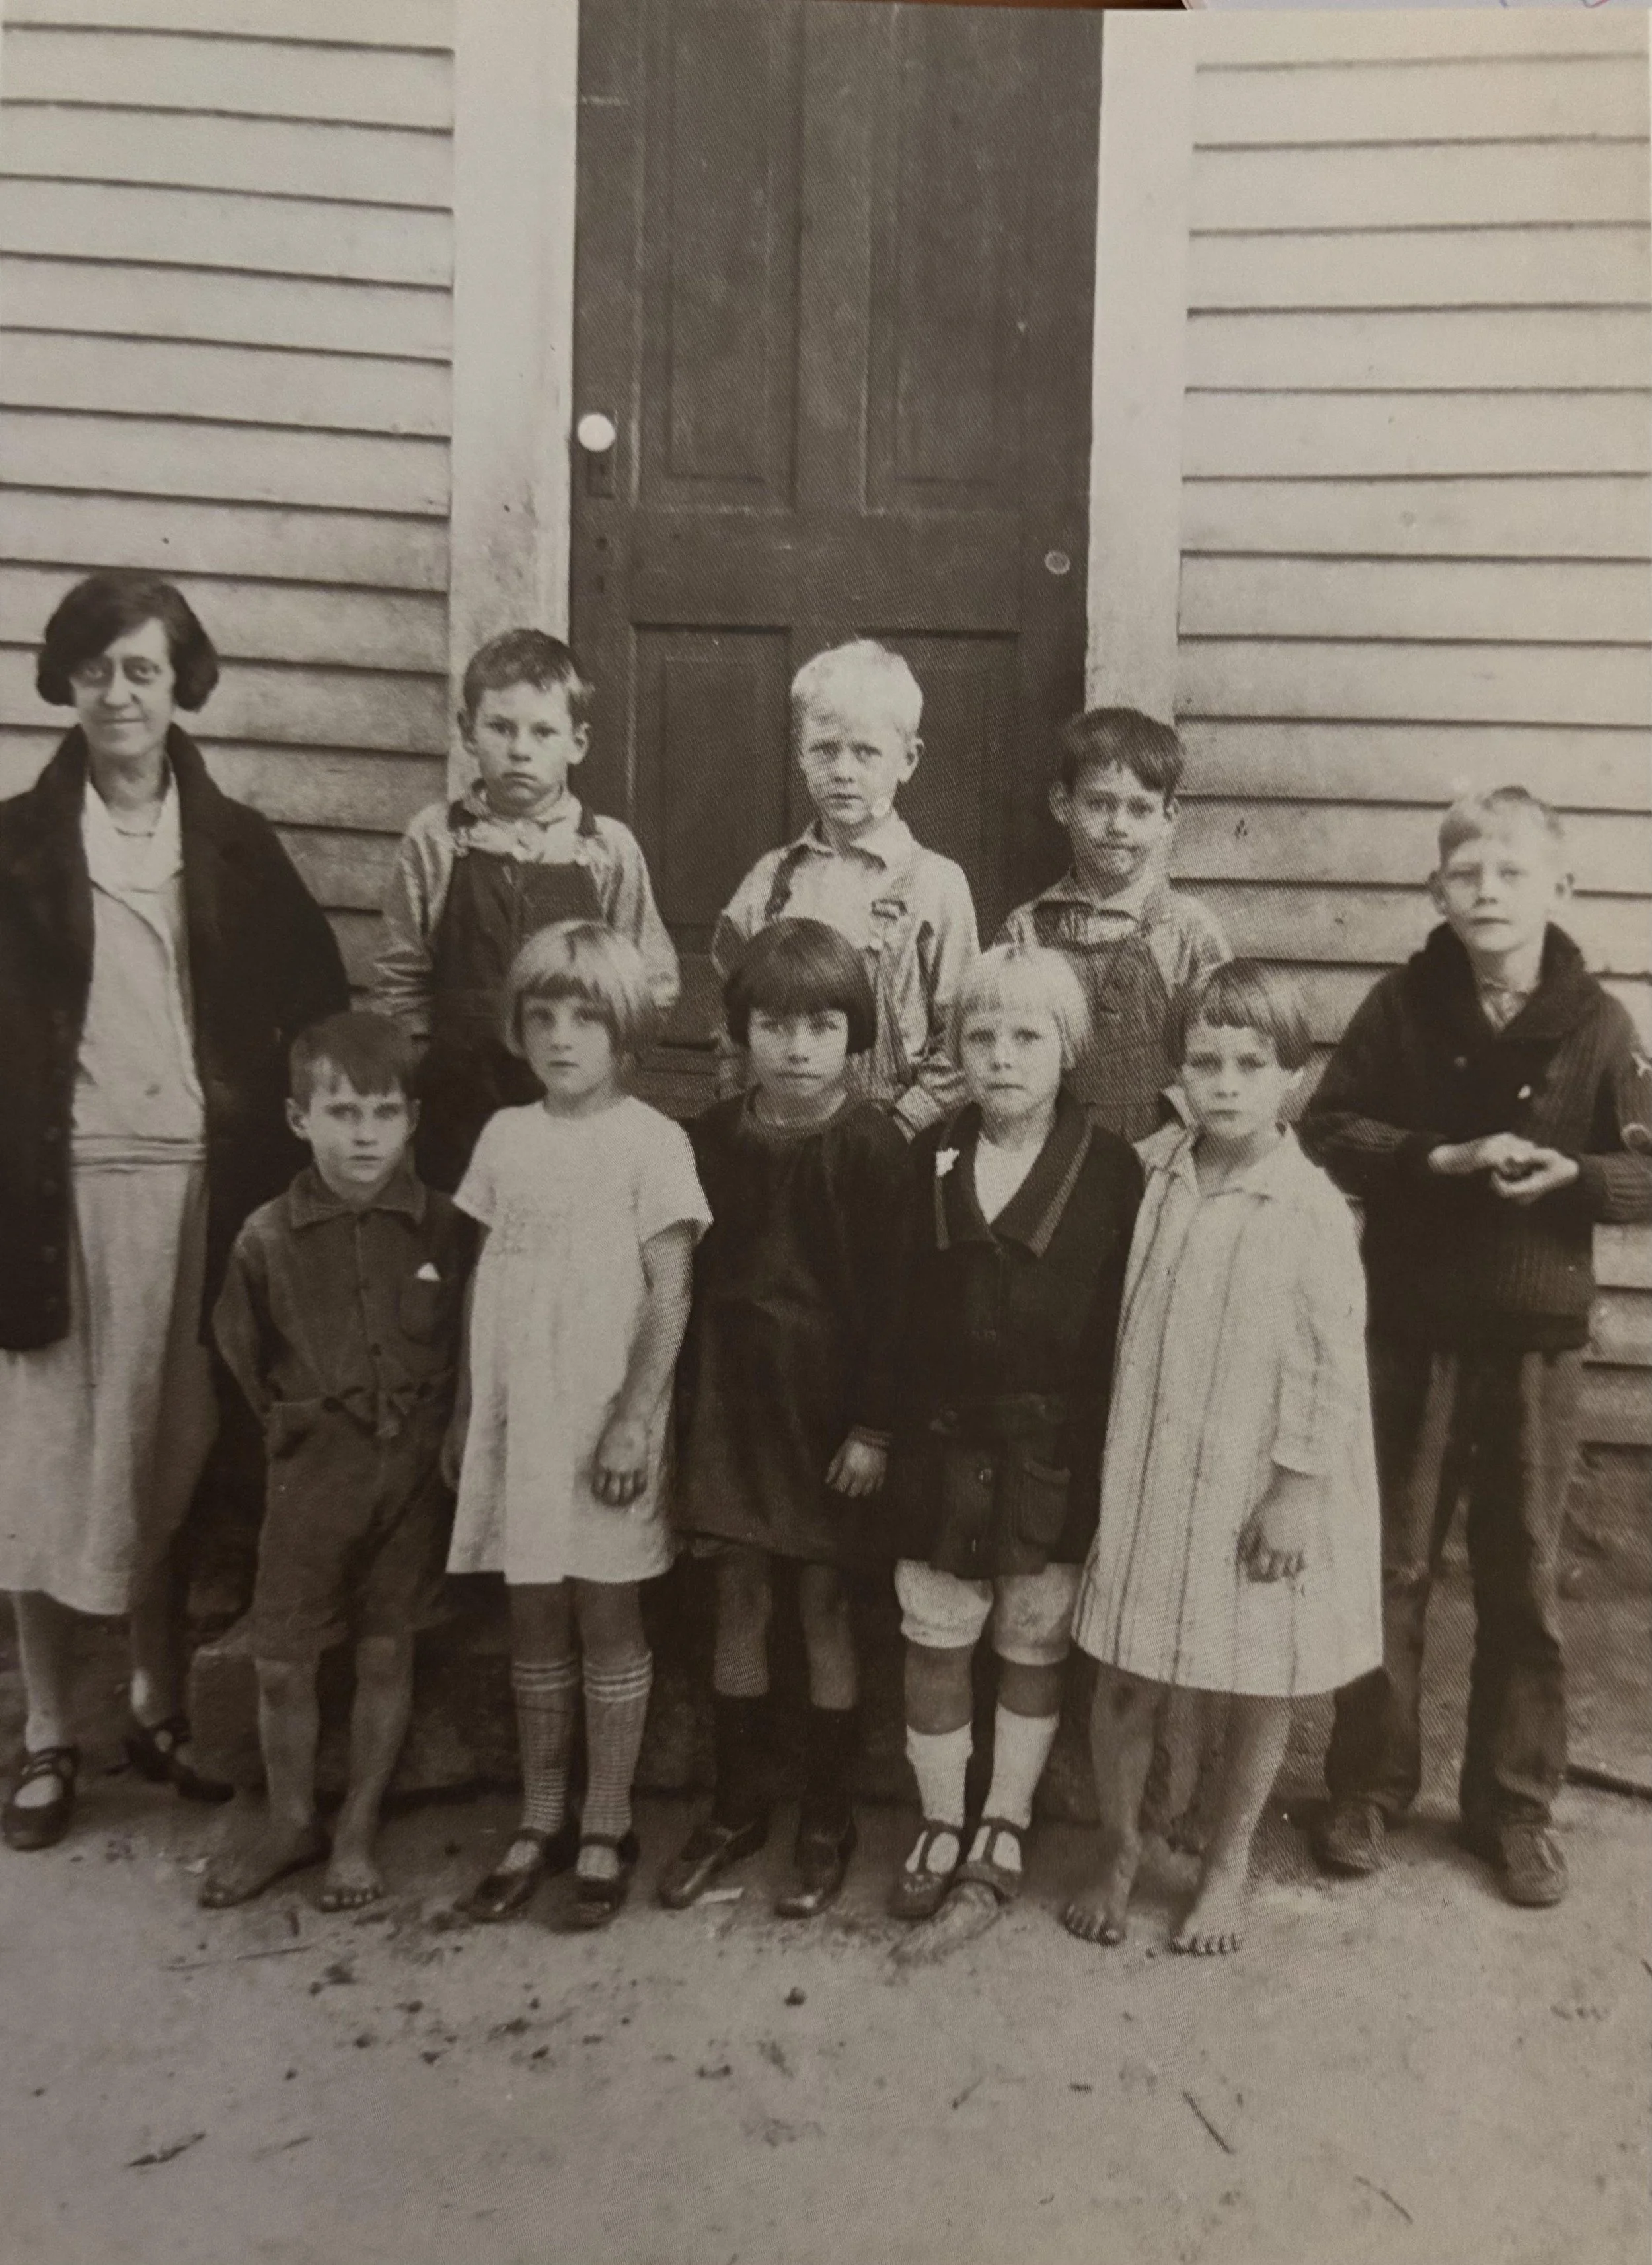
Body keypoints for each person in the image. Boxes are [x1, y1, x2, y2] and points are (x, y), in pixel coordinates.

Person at [0, 571, 348, 1855]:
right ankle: (46, 1730)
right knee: (42, 1456)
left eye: (143, 668)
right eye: (95, 669)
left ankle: (151, 1703)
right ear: (67, 684)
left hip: (202, 1182)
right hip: (52, 1184)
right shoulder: (15, 844)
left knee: (166, 1442)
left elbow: (316, 996)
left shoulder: (237, 842)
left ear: (180, 681)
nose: (119, 693)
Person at [1301, 788, 1652, 1909]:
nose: (1489, 892)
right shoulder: (1401, 1006)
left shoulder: (1600, 1026)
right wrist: (1439, 1159)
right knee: (1393, 1564)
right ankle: (1367, 1783)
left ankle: (1515, 1805)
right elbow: (1327, 1129)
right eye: (1467, 875)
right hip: (1408, 1330)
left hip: (1536, 1343)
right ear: (1436, 891)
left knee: (1525, 1577)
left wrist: (1582, 1178)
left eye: (1512, 872)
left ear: (1562, 888)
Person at [1065, 962, 1382, 1956]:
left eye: (1254, 1063)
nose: (1228, 1083)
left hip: (1259, 1479)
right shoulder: (1147, 1173)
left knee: (1257, 1677)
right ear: (1177, 1072)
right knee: (1125, 1671)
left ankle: (1227, 1862)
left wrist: (1295, 1490)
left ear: (1293, 1076)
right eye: (1206, 1062)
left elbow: (1333, 1362)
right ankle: (1121, 1848)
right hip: (1153, 1468)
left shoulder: (1310, 1207)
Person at [445, 922, 710, 1926]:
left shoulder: (653, 1142)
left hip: (607, 1423)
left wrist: (635, 1423)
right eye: (543, 1018)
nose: (561, 1039)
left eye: (586, 1020)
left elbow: (670, 1296)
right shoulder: (506, 1138)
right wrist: (471, 1415)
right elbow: (486, 1281)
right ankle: (541, 1813)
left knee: (607, 1613)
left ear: (629, 1031)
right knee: (533, 1613)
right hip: (523, 1422)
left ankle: (607, 1820)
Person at [886, 943, 1141, 1929]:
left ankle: (1005, 1816)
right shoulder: (928, 1157)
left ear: (1068, 1048)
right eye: (981, 1036)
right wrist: (877, 1428)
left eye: (1028, 1036)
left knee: (1033, 1646)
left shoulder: (1111, 1172)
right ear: (956, 1047)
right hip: (937, 1451)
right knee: (937, 1640)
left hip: (1051, 1458)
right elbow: (889, 1309)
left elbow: (1122, 1331)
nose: (1002, 1057)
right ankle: (941, 1817)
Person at [660, 920, 911, 1919]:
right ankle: (736, 1804)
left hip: (830, 1425)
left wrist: (875, 1429)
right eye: (773, 1024)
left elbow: (899, 1307)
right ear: (739, 1031)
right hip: (733, 1408)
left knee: (824, 1607)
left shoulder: (877, 1146)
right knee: (741, 1604)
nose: (796, 1047)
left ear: (855, 1035)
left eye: (820, 1025)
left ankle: (826, 1810)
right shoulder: (708, 1141)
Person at [199, 1015, 471, 1911]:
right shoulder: (265, 1238)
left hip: (411, 1483)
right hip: (312, 1478)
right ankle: (289, 1819)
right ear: (296, 1119)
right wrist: (296, 1435)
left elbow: (469, 1342)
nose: (364, 1136)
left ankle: (356, 1822)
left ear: (413, 1120)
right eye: (342, 1112)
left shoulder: (442, 1227)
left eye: (384, 1113)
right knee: (283, 1661)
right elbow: (240, 1358)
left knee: (388, 1653)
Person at [373, 628, 679, 1191]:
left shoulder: (606, 848)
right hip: (459, 1099)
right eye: (500, 728)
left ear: (577, 743)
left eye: (543, 732)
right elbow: (401, 979)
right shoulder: (437, 838)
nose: (520, 749)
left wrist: (607, 1076)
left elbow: (650, 984)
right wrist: (422, 1078)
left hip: (573, 1093)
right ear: (468, 731)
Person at [712, 640, 978, 1139]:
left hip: (893, 1137)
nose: (843, 772)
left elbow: (963, 1034)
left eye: (866, 753)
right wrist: (738, 1115)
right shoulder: (769, 882)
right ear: (801, 756)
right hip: (776, 1133)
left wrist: (902, 1124)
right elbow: (731, 1024)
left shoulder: (936, 884)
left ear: (908, 760)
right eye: (825, 750)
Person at [996, 706, 1228, 1144]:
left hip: (1162, 1155)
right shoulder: (1026, 930)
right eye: (1100, 804)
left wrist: (1171, 1138)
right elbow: (999, 1047)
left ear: (1168, 819)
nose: (1118, 826)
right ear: (1064, 804)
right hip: (1051, 1150)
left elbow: (1223, 1054)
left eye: (1140, 809)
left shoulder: (1188, 930)